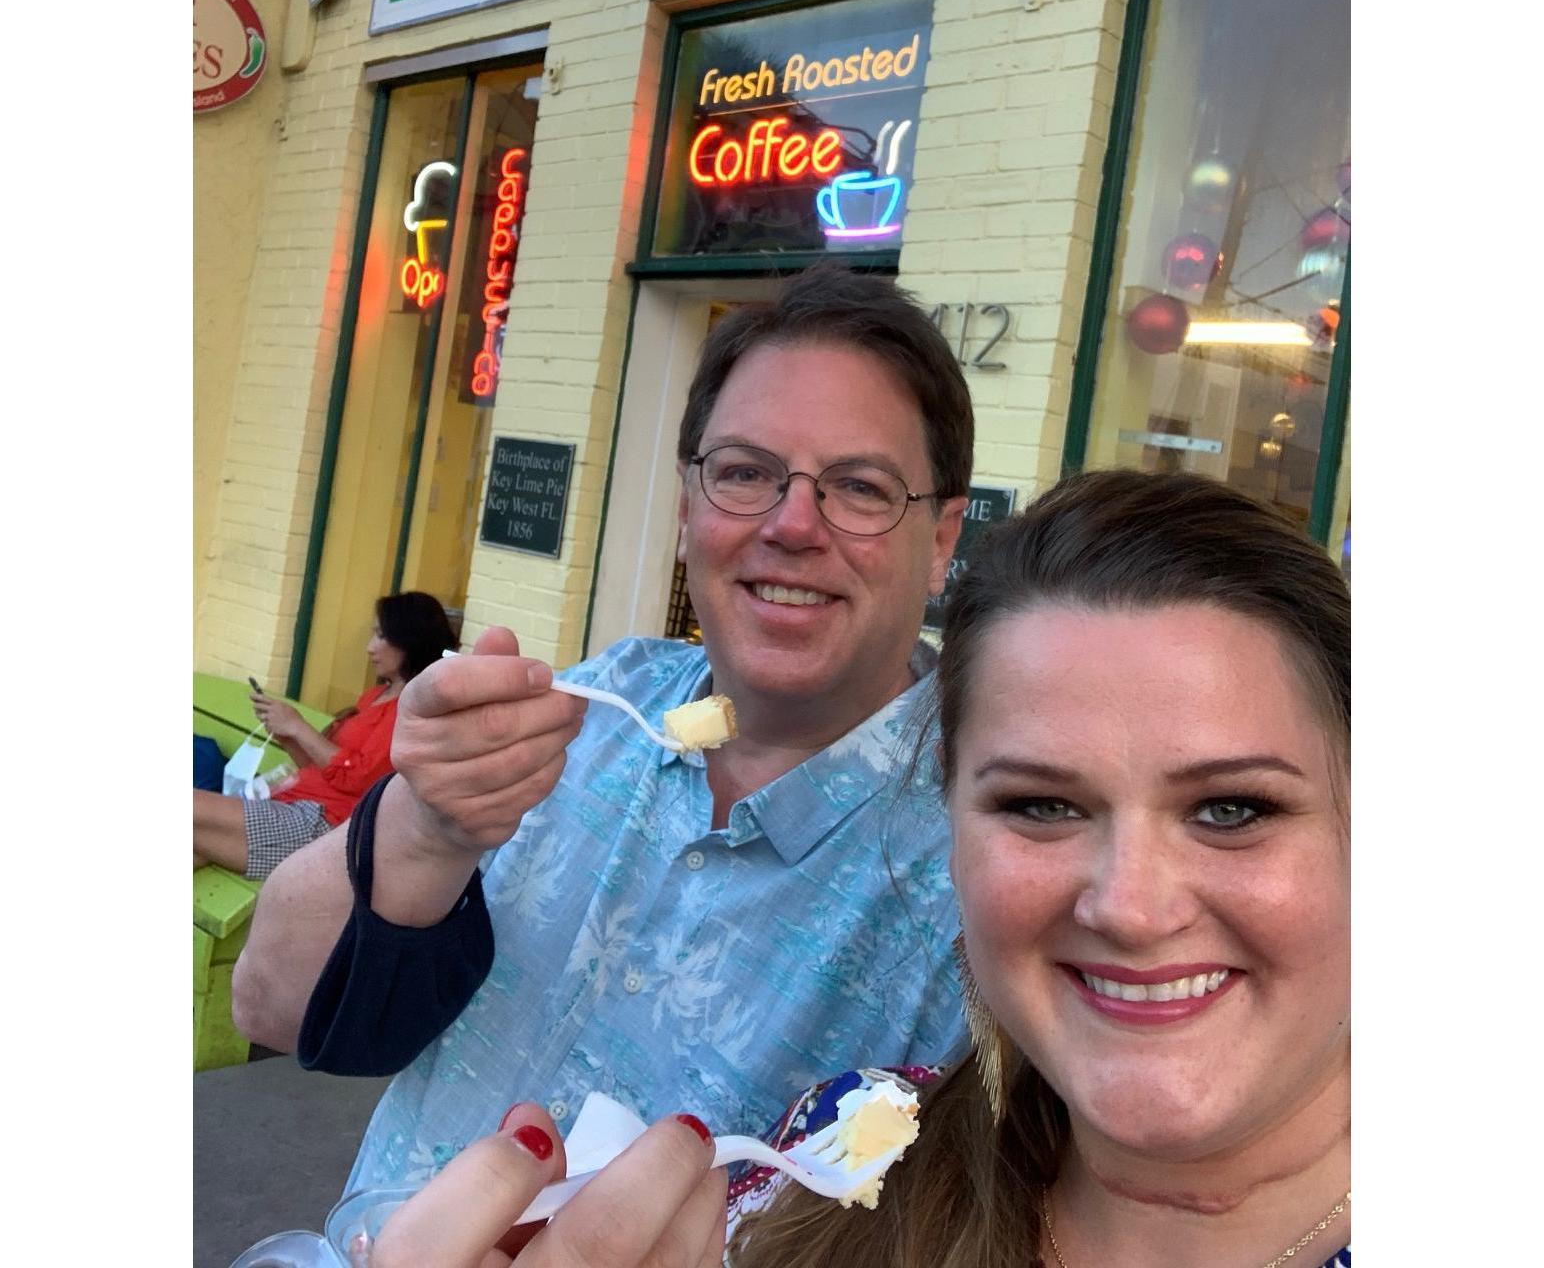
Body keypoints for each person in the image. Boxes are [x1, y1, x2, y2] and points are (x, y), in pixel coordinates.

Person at [358, 469, 1351, 1268]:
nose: (1130, 905)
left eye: (1233, 808)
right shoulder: (826, 1164)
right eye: (1039, 804)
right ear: (947, 831)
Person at [232, 264, 976, 1195]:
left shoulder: (985, 860)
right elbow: (270, 1003)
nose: (792, 525)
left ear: (942, 539)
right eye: (744, 473)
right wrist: (430, 825)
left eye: (859, 487)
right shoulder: (587, 710)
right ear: (685, 507)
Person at [193, 592, 458, 878]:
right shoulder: (375, 696)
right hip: (290, 804)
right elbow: (321, 769)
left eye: (380, 636)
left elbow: (358, 780)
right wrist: (286, 734)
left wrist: (297, 725)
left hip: (321, 826)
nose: (370, 648)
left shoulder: (408, 710)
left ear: (409, 640)